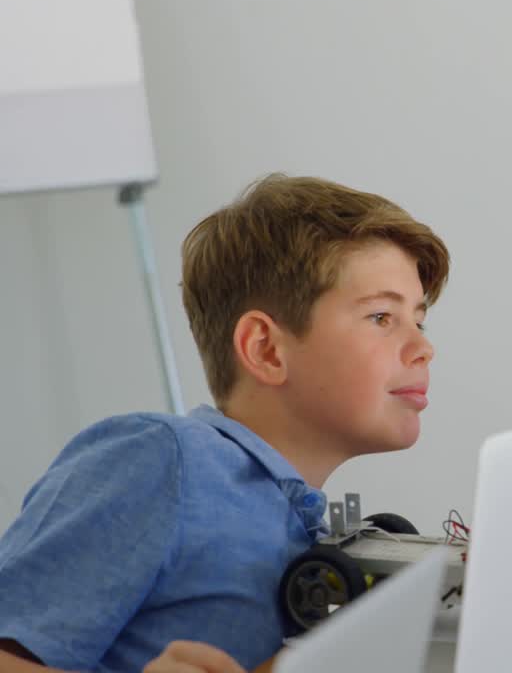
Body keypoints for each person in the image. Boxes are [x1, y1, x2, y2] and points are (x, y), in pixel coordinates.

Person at [0, 174, 449, 673]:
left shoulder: (313, 535)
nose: (423, 346)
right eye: (382, 317)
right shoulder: (164, 460)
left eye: (420, 320)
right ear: (265, 348)